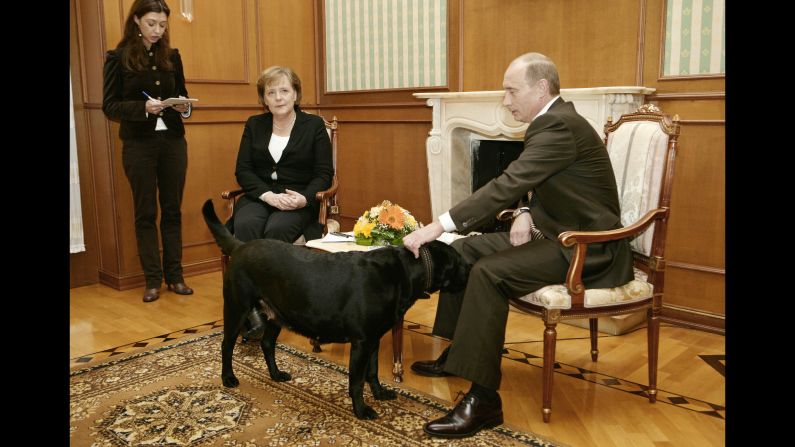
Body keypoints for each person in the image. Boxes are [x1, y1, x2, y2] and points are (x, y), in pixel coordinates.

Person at [402, 52, 635, 438]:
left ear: (541, 88)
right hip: (553, 234)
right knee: (460, 251)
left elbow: (506, 184)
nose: (505, 101)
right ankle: (461, 353)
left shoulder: (559, 126)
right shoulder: (553, 123)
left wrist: (436, 227)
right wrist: (525, 210)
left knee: (489, 273)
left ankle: (484, 399)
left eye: (511, 90)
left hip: (585, 248)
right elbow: (536, 181)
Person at [231, 66, 334, 337]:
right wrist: (266, 195)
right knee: (245, 223)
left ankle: (276, 303)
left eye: (284, 91)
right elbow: (243, 170)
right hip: (261, 195)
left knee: (276, 230)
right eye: (271, 92)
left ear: (296, 95)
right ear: (264, 99)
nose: (278, 97)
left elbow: (324, 173)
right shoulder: (255, 125)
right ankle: (252, 308)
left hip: (296, 200)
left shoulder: (312, 126)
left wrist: (305, 198)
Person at [102, 0, 194, 303]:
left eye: (163, 24)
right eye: (152, 23)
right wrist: (142, 107)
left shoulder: (173, 56)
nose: (158, 30)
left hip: (172, 143)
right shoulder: (118, 57)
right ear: (137, 21)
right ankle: (153, 280)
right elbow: (110, 105)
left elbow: (182, 95)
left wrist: (183, 107)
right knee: (145, 213)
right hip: (138, 144)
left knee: (172, 210)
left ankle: (175, 276)